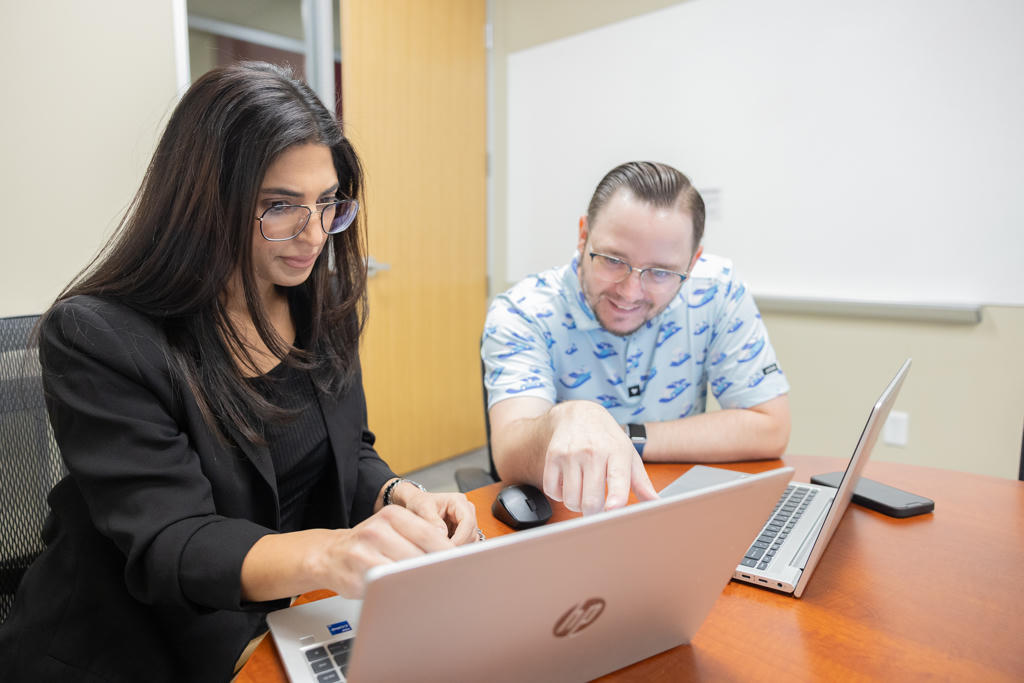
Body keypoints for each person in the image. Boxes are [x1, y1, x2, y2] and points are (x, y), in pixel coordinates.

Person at [0, 62, 479, 682]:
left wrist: (398, 495)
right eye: (280, 206)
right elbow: (175, 541)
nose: (313, 235)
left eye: (327, 202)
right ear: (203, 201)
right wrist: (333, 552)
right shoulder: (99, 336)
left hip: (277, 621)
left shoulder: (318, 300)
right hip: (129, 643)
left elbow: (347, 452)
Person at [482, 161, 791, 516]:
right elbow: (508, 452)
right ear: (583, 235)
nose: (630, 292)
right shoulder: (523, 311)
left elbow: (770, 426)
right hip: (568, 519)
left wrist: (621, 435)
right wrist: (567, 418)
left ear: (692, 263)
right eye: (613, 260)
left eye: (660, 272)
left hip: (668, 509)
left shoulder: (718, 292)